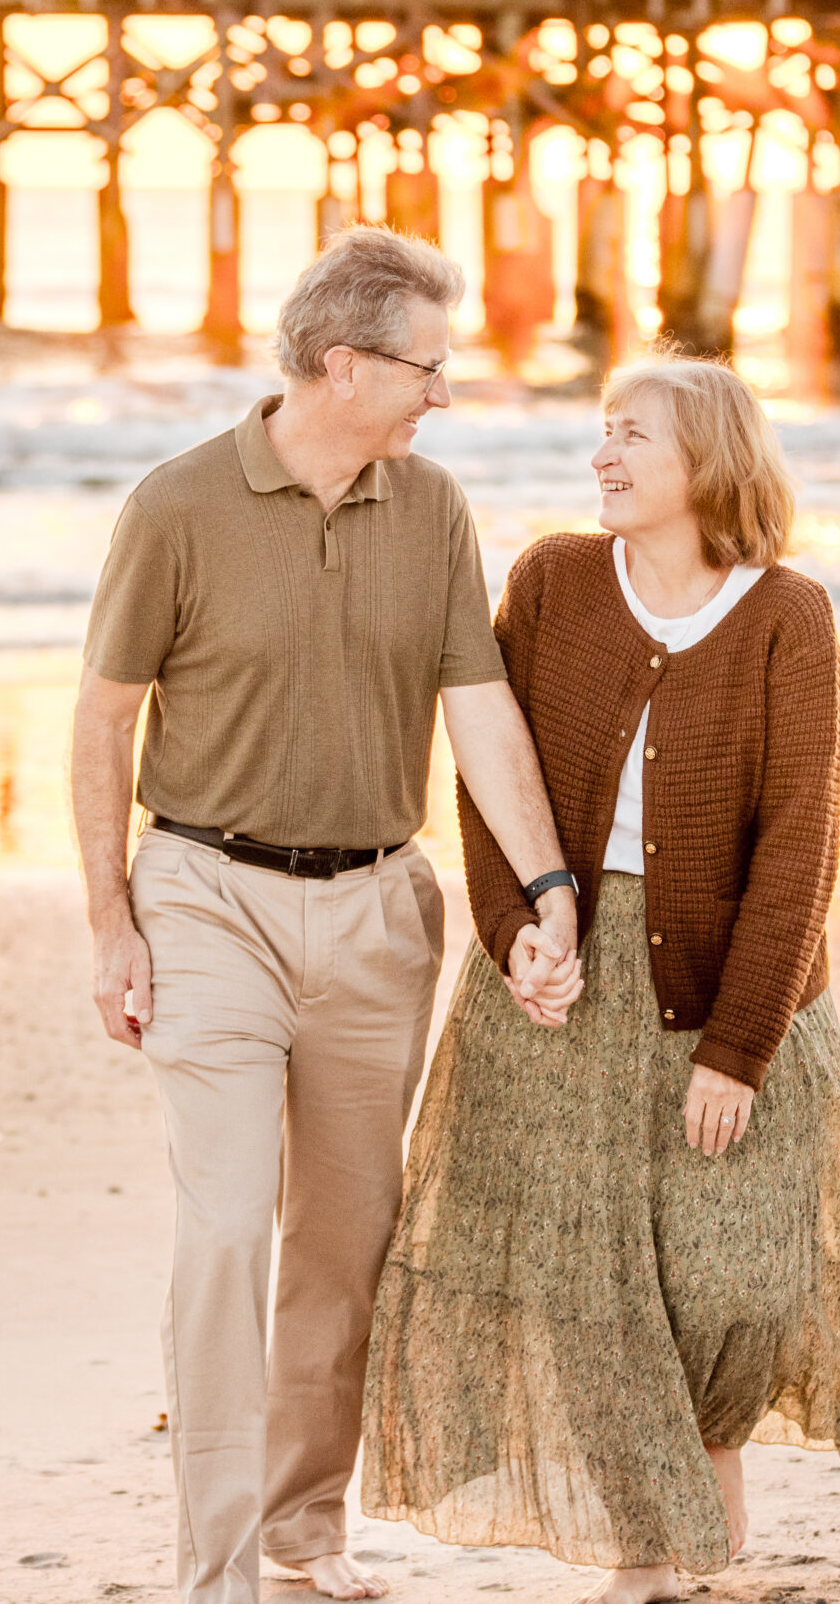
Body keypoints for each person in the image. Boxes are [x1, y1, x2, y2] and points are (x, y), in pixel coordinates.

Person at [362, 353, 840, 1603]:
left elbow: (802, 840)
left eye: (631, 436)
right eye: (601, 433)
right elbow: (492, 769)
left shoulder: (788, 615)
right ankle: (651, 1553)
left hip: (731, 983)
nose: (603, 456)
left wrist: (738, 1047)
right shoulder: (555, 581)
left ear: (709, 460)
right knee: (584, 1279)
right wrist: (512, 925)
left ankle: (701, 1476)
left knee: (730, 1273)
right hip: (559, 982)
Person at [69, 227, 582, 1604]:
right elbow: (105, 721)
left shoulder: (430, 508)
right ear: (344, 364)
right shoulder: (176, 508)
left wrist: (547, 888)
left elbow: (479, 716)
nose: (445, 394)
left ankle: (304, 1528)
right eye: (428, 367)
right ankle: (218, 1564)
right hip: (206, 898)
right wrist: (112, 920)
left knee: (344, 1242)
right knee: (230, 1224)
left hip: (375, 911)